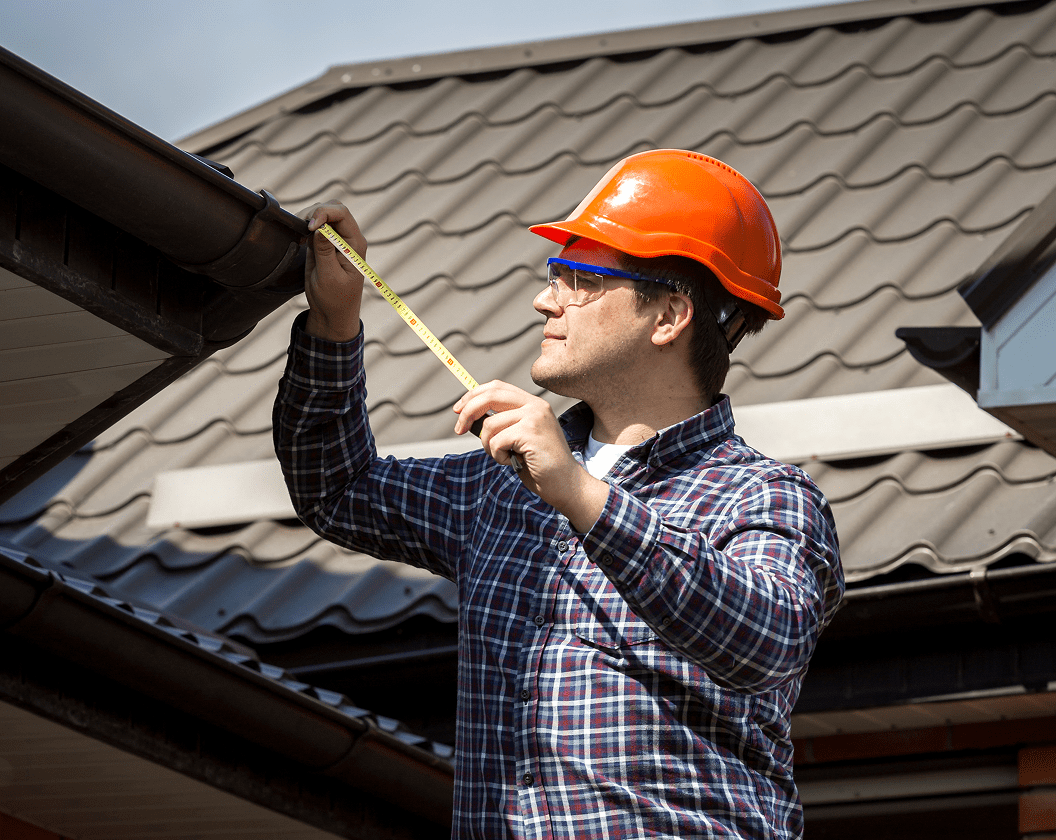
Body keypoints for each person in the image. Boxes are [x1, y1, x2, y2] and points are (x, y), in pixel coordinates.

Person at [274, 149, 844, 839]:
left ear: (668, 314)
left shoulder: (764, 498)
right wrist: (335, 325)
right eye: (555, 275)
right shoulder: (501, 486)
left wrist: (581, 495)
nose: (547, 300)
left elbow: (764, 641)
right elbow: (336, 488)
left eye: (581, 279)